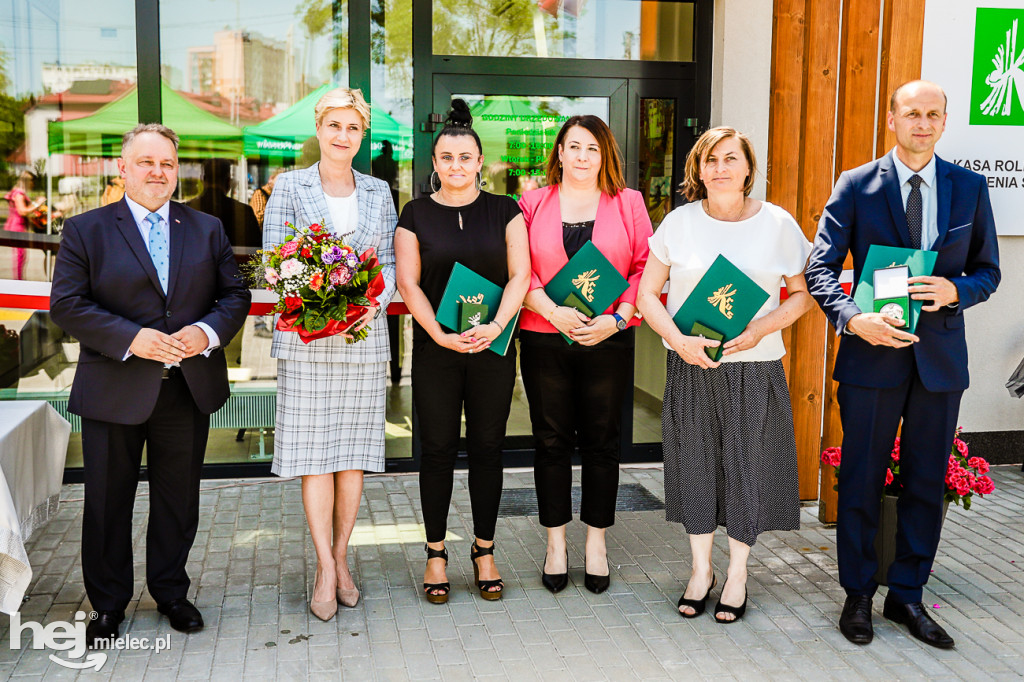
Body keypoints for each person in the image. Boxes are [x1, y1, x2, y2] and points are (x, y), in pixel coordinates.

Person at [807, 80, 1000, 649]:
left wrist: (955, 290)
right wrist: (851, 317)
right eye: (911, 113)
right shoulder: (858, 185)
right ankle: (858, 596)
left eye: (933, 114)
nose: (922, 122)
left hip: (938, 364)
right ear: (891, 118)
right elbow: (821, 268)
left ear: (944, 121)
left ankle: (908, 597)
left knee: (924, 483)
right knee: (862, 480)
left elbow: (988, 271)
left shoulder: (969, 187)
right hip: (870, 359)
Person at [49, 123, 250, 646]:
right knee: (107, 502)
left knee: (178, 501)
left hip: (186, 388)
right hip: (114, 387)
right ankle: (109, 604)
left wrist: (204, 332)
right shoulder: (85, 230)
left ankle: (170, 593)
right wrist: (131, 338)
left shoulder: (206, 228)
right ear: (123, 168)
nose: (158, 173)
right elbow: (68, 304)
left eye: (167, 164)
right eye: (146, 162)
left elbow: (235, 298)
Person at [636, 127, 813, 623]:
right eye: (710, 160)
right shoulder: (678, 222)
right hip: (692, 366)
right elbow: (647, 294)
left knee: (745, 471)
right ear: (698, 169)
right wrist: (678, 339)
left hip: (754, 369)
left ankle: (737, 574)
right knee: (695, 468)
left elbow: (801, 295)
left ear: (747, 169)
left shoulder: (777, 223)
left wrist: (761, 328)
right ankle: (699, 571)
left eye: (730, 159)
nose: (720, 168)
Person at [262, 87, 397, 621]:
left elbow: (386, 259)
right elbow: (276, 261)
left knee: (354, 457)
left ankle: (343, 559)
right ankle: (323, 566)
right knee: (314, 459)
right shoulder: (290, 186)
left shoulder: (380, 190)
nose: (344, 136)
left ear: (362, 136)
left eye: (354, 128)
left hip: (362, 342)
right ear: (318, 129)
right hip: (307, 342)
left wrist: (373, 301)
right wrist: (316, 297)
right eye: (335, 126)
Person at [395, 99, 530, 604]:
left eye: (464, 157)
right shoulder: (415, 213)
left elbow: (521, 275)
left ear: (479, 162)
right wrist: (437, 332)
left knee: (488, 449)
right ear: (435, 163)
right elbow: (409, 283)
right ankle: (435, 553)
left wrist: (497, 325)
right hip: (437, 348)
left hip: (493, 346)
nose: (455, 165)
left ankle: (484, 549)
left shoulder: (506, 209)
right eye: (446, 157)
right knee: (436, 451)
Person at [518, 115, 652, 594]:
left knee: (601, 440)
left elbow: (644, 268)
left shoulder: (629, 202)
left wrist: (617, 319)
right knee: (550, 440)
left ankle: (596, 541)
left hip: (607, 336)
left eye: (592, 148)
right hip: (543, 335)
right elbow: (519, 270)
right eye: (573, 146)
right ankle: (556, 543)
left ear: (605, 155)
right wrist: (553, 311)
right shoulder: (531, 203)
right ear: (559, 152)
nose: (581, 156)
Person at [188, 158, 262, 248]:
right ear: (228, 181)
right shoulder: (244, 211)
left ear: (203, 180)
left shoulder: (187, 209)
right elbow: (256, 249)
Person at [4, 171, 42, 279]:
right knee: (19, 257)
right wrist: (37, 203)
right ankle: (18, 281)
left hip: (16, 225)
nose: (33, 185)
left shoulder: (16, 192)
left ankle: (19, 280)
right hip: (17, 227)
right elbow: (22, 211)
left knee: (19, 256)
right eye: (32, 182)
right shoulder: (19, 194)